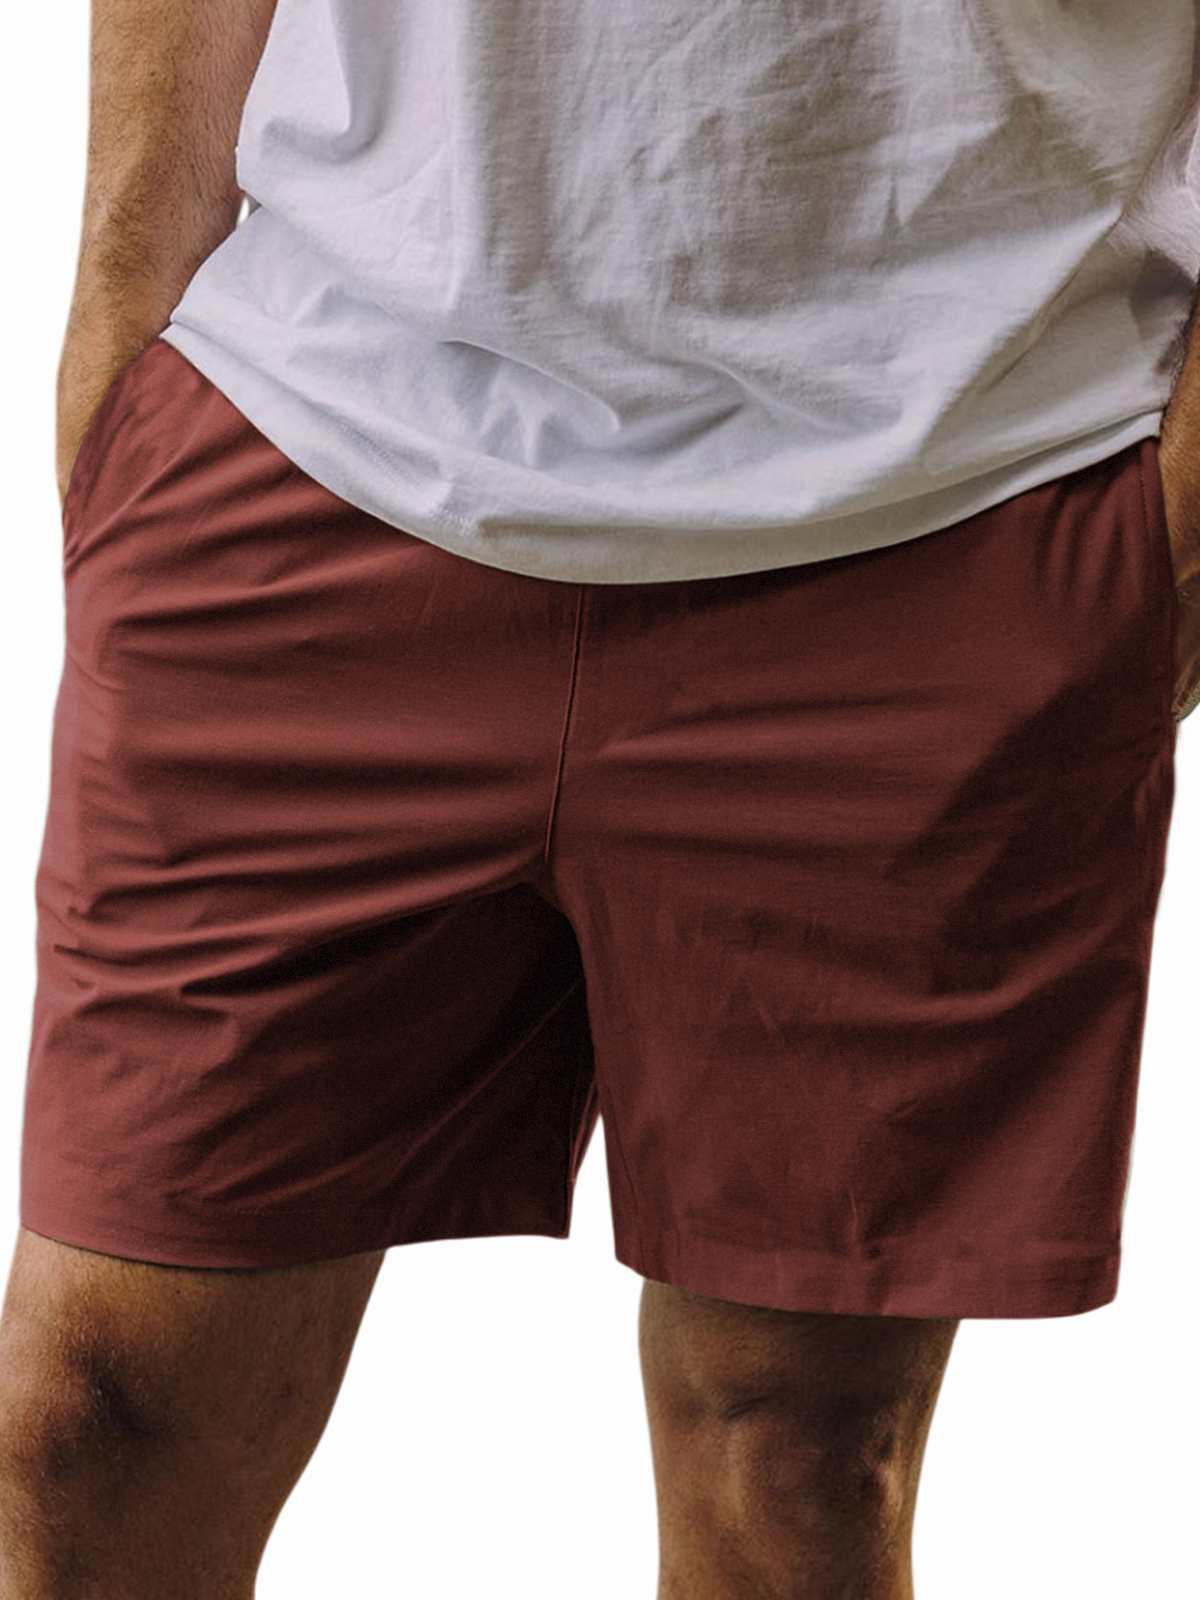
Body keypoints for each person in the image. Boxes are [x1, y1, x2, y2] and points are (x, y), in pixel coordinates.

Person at [1, 1, 1197, 1595]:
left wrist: (1171, 537)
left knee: (798, 1458)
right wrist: (123, 305)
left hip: (960, 470)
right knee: (94, 1420)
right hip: (315, 413)